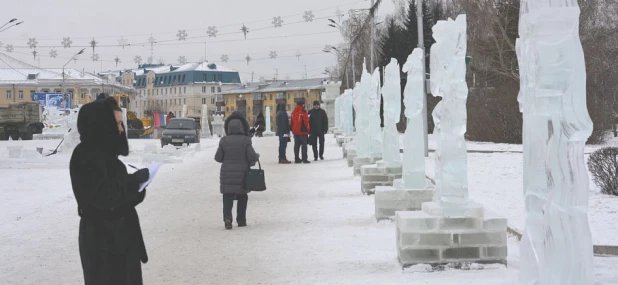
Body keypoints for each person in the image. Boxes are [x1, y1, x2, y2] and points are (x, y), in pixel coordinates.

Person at [69, 97, 150, 285]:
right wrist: (132, 183)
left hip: (121, 238)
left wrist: (139, 187)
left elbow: (121, 197)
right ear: (102, 124)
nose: (121, 129)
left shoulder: (109, 157)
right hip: (102, 243)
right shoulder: (84, 155)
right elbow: (104, 197)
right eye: (118, 123)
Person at [215, 112, 260, 229]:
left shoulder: (224, 141)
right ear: (242, 127)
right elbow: (252, 157)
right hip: (242, 174)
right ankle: (241, 220)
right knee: (242, 197)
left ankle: (227, 218)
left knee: (227, 197)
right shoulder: (246, 140)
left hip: (226, 174)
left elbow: (218, 158)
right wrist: (256, 156)